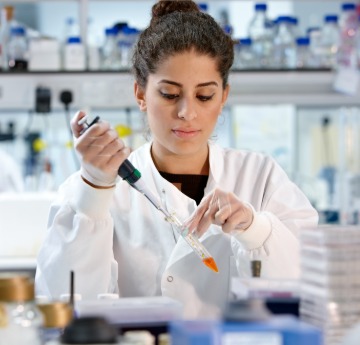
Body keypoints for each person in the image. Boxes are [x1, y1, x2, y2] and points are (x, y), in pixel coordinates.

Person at [35, 0, 318, 318]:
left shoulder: (260, 177)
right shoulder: (94, 189)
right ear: (141, 94)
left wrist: (255, 229)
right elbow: (61, 308)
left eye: (204, 95)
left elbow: (311, 291)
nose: (187, 113)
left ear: (223, 96)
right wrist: (94, 190)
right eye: (170, 94)